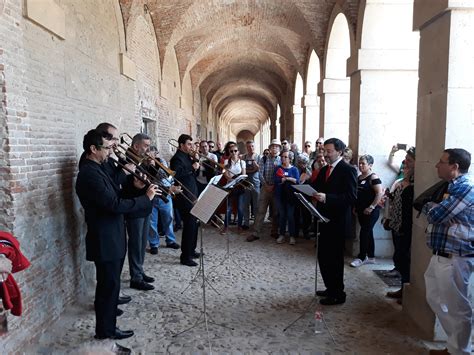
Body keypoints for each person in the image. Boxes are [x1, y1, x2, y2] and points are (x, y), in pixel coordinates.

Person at [75, 129, 158, 341]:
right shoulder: (89, 173)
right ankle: (105, 334)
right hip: (105, 239)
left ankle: (108, 328)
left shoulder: (99, 168)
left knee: (110, 288)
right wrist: (145, 198)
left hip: (112, 236)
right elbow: (113, 204)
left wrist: (136, 187)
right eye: (106, 148)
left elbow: (114, 194)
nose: (110, 152)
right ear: (93, 149)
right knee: (108, 288)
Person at [422, 148, 473, 355]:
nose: (437, 165)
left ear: (455, 167)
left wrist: (435, 208)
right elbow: (427, 206)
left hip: (456, 256)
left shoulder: (465, 188)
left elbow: (435, 215)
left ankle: (461, 351)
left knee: (459, 308)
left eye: (442, 162)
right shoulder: (451, 187)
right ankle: (455, 345)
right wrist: (434, 207)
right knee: (433, 297)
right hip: (441, 253)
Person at [311, 138, 357, 305]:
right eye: (324, 151)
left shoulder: (348, 170)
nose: (326, 154)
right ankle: (330, 287)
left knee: (335, 259)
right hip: (323, 219)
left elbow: (351, 197)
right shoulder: (324, 170)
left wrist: (327, 197)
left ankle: (338, 293)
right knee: (323, 256)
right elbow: (315, 186)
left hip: (337, 221)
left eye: (329, 151)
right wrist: (306, 188)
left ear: (339, 151)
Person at [122, 133, 155, 291]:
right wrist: (135, 188)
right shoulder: (126, 161)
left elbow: (150, 179)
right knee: (135, 243)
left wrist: (151, 165)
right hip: (134, 207)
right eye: (146, 146)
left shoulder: (142, 160)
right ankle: (135, 277)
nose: (148, 149)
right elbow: (122, 187)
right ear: (135, 146)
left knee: (142, 242)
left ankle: (139, 270)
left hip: (145, 205)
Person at [385, 147, 416, 299]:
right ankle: (403, 288)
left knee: (404, 258)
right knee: (398, 257)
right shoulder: (403, 180)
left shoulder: (415, 183)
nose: (405, 163)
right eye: (405, 160)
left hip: (406, 226)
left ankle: (406, 292)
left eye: (409, 161)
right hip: (396, 224)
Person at [170, 134, 200, 267]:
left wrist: (195, 164)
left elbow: (193, 174)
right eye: (188, 144)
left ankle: (191, 250)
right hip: (184, 196)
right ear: (181, 145)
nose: (191, 147)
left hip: (192, 193)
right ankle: (185, 256)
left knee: (194, 224)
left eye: (191, 144)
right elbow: (177, 174)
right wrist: (192, 167)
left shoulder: (188, 157)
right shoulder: (176, 158)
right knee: (188, 225)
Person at [350, 155, 383, 267]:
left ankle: (361, 257)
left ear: (370, 165)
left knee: (364, 232)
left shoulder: (373, 177)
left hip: (371, 211)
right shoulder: (359, 178)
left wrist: (372, 207)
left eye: (363, 163)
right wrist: (355, 207)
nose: (360, 165)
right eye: (359, 163)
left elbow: (379, 193)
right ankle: (371, 256)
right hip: (361, 210)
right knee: (368, 232)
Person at [147, 146, 180, 255]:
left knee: (169, 218)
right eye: (147, 152)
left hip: (165, 194)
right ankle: (154, 244)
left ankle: (170, 240)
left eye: (152, 152)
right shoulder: (144, 164)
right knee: (152, 222)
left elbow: (164, 176)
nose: (150, 154)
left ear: (156, 153)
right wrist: (150, 167)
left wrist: (155, 166)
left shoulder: (161, 161)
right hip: (152, 195)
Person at [247, 139, 281, 242]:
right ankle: (256, 232)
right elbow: (260, 173)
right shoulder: (264, 159)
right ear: (270, 148)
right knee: (260, 210)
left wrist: (274, 186)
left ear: (279, 148)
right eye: (272, 146)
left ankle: (274, 231)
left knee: (275, 211)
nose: (274, 148)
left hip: (276, 188)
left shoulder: (281, 159)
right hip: (265, 188)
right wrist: (266, 185)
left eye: (276, 146)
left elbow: (281, 174)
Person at [274, 151, 300, 245]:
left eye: (285, 157)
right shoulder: (278, 168)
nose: (283, 158)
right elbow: (276, 180)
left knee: (290, 216)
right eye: (282, 156)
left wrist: (287, 179)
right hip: (280, 195)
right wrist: (285, 179)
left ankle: (292, 236)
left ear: (290, 159)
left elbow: (297, 181)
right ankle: (282, 234)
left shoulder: (294, 169)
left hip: (290, 196)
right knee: (282, 215)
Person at [223, 146, 246, 232]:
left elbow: (243, 175)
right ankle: (226, 226)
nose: (233, 153)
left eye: (235, 151)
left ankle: (239, 226)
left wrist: (236, 179)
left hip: (240, 186)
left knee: (240, 208)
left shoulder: (242, 162)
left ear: (238, 152)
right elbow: (226, 175)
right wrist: (233, 179)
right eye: (231, 151)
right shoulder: (226, 162)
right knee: (228, 208)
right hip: (230, 187)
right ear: (229, 152)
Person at [241, 140, 260, 230]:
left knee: (256, 204)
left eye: (252, 146)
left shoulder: (258, 157)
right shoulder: (244, 157)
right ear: (246, 147)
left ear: (254, 147)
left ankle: (256, 223)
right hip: (246, 183)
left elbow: (259, 169)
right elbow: (242, 170)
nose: (250, 148)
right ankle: (246, 222)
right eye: (248, 147)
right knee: (246, 204)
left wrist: (252, 169)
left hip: (256, 183)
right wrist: (253, 170)